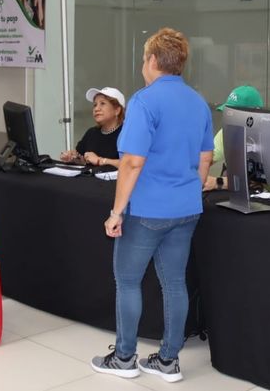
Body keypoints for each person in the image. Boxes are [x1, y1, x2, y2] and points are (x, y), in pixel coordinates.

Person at [91, 28, 213, 383]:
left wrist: (116, 212)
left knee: (127, 281)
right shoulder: (198, 102)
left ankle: (125, 358)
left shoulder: (144, 101)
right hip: (187, 207)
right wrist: (189, 187)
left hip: (148, 210)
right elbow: (205, 158)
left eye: (145, 58)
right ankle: (168, 361)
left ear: (153, 60)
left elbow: (131, 162)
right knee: (174, 283)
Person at [202, 85, 264, 191]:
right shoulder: (226, 132)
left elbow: (256, 181)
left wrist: (217, 182)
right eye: (227, 113)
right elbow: (205, 160)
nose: (228, 117)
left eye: (233, 114)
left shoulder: (267, 138)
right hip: (237, 194)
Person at [59, 87, 125, 168]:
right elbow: (82, 160)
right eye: (95, 105)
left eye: (102, 103)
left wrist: (100, 160)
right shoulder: (91, 133)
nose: (96, 109)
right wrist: (71, 157)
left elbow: (131, 164)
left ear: (117, 110)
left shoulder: (126, 133)